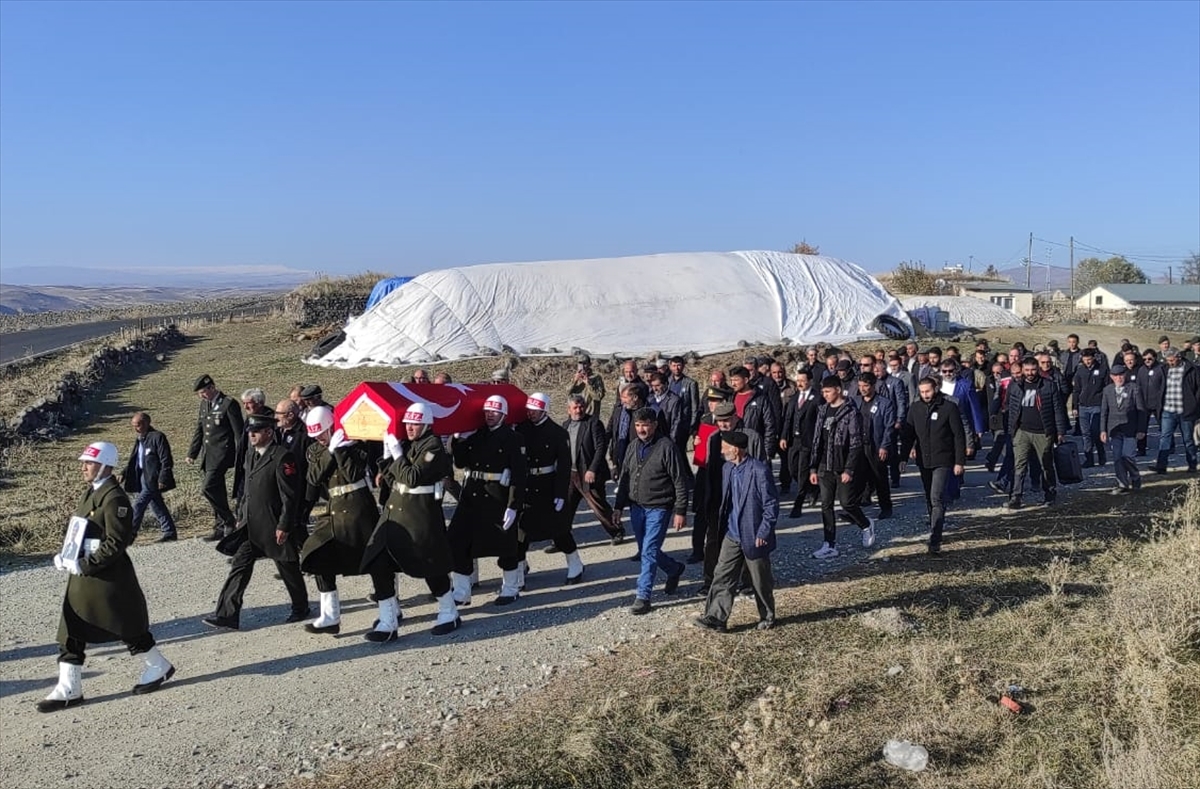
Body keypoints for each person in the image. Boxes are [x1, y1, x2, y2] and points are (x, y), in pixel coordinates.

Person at [37, 441, 176, 712]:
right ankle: (69, 688)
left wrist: (86, 564)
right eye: (84, 463)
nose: (84, 467)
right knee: (71, 630)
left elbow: (117, 542)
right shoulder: (91, 493)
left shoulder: (114, 498)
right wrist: (65, 556)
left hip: (107, 579)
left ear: (106, 466)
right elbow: (78, 529)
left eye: (89, 463)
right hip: (84, 578)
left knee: (127, 628)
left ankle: (158, 666)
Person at [360, 402, 461, 642]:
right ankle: (388, 621)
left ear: (425, 424)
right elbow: (393, 476)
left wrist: (397, 455)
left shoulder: (433, 447)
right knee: (378, 562)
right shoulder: (410, 444)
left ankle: (449, 612)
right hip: (396, 513)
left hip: (420, 516)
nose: (410, 428)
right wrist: (386, 458)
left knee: (429, 567)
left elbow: (413, 477)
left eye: (414, 423)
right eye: (407, 423)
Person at [202, 413, 310, 630]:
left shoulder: (282, 457)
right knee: (239, 565)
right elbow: (248, 489)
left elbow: (290, 496)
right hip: (251, 526)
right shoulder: (251, 454)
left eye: (256, 431)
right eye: (250, 431)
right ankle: (227, 615)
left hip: (273, 525)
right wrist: (241, 514)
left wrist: (284, 525)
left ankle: (301, 607)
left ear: (269, 433)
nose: (251, 435)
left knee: (287, 566)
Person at [297, 407, 376, 636]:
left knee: (375, 558)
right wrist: (331, 450)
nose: (319, 438)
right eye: (316, 435)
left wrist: (342, 450)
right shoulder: (315, 449)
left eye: (323, 433)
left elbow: (353, 474)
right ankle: (330, 616)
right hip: (334, 508)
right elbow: (313, 477)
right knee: (317, 555)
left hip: (358, 505)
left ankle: (390, 608)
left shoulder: (355, 443)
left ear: (332, 427)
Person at [693, 431, 779, 632]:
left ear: (736, 449)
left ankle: (767, 615)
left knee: (760, 580)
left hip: (754, 535)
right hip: (732, 534)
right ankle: (716, 618)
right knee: (722, 575)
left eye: (724, 447)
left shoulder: (759, 470)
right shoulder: (727, 469)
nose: (721, 451)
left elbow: (771, 504)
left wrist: (763, 532)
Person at [448, 395, 528, 606]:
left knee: (505, 543)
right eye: (487, 412)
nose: (490, 415)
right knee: (457, 539)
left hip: (497, 496)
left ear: (503, 414)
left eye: (494, 412)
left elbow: (519, 474)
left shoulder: (513, 438)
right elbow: (461, 462)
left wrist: (513, 505)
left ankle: (511, 588)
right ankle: (462, 591)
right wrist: (458, 440)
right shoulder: (478, 434)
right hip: (472, 494)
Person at [613, 408, 689, 614]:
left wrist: (681, 510)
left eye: (645, 425)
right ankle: (674, 569)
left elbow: (680, 481)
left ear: (654, 424)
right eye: (637, 425)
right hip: (636, 506)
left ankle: (643, 596)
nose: (641, 429)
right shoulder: (632, 446)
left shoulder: (667, 447)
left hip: (659, 507)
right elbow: (626, 477)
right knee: (647, 549)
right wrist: (618, 506)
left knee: (648, 551)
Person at [516, 393, 585, 584]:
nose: (531, 414)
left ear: (544, 410)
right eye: (529, 410)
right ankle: (519, 568)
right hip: (527, 484)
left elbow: (564, 465)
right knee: (520, 531)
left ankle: (575, 563)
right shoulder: (522, 429)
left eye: (535, 411)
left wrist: (560, 493)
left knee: (558, 529)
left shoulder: (557, 433)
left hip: (548, 484)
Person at [809, 376, 873, 559]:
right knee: (826, 505)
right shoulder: (822, 410)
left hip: (842, 464)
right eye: (823, 392)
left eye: (828, 391)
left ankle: (866, 524)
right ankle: (829, 544)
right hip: (824, 465)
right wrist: (813, 468)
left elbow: (855, 443)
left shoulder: (851, 412)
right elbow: (817, 441)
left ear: (838, 389)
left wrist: (849, 469)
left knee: (847, 502)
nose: (825, 395)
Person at [904, 378, 966, 554]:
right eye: (922, 392)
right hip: (924, 460)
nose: (925, 395)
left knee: (936, 497)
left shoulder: (948, 407)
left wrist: (959, 461)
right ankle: (935, 524)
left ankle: (935, 538)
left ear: (935, 389)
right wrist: (903, 458)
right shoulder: (915, 408)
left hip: (944, 460)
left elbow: (958, 436)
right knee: (929, 496)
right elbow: (908, 435)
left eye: (928, 391)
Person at [1004, 357, 1069, 509]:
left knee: (1046, 464)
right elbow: (1010, 409)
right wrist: (1011, 430)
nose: (1030, 373)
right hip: (1022, 431)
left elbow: (1058, 410)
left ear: (1038, 369)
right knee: (1019, 465)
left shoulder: (1049, 386)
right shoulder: (1015, 386)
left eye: (1033, 370)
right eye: (1026, 370)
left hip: (1043, 431)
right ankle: (1016, 497)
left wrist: (1060, 431)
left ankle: (1050, 493)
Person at [187, 374, 244, 542]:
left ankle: (229, 520)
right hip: (208, 455)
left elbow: (238, 433)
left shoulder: (228, 404)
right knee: (217, 490)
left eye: (204, 392)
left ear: (212, 387)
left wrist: (242, 455)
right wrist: (192, 453)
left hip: (222, 455)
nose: (202, 396)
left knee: (208, 488)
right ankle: (219, 526)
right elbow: (200, 429)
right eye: (200, 394)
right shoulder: (205, 404)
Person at [562, 393, 621, 544]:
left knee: (598, 505)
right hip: (571, 473)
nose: (579, 410)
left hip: (588, 473)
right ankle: (560, 539)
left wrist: (592, 469)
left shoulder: (593, 423)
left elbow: (601, 448)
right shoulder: (565, 426)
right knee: (566, 507)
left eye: (581, 406)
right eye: (575, 407)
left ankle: (616, 531)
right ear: (569, 409)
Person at [122, 411, 178, 542]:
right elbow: (135, 460)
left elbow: (166, 459)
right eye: (134, 425)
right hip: (142, 476)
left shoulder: (157, 437)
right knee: (156, 504)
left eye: (139, 425)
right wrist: (123, 473)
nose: (136, 428)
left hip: (152, 478)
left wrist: (163, 478)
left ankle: (130, 534)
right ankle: (169, 531)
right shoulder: (140, 439)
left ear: (147, 423)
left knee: (139, 505)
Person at [852, 372, 894, 519]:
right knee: (857, 478)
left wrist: (884, 446)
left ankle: (886, 507)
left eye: (866, 386)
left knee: (880, 477)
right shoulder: (855, 402)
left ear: (873, 385)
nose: (862, 389)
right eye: (860, 386)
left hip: (876, 445)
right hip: (859, 445)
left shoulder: (884, 403)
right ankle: (853, 510)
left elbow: (889, 427)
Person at [1100, 365, 1147, 494]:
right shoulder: (1107, 390)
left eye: (1121, 375)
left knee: (1127, 456)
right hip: (1114, 429)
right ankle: (1122, 483)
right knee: (1117, 457)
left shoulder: (1134, 388)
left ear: (1125, 375)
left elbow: (1141, 411)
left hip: (1130, 429)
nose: (1119, 378)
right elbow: (1104, 411)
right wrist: (1102, 430)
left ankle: (1135, 478)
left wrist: (1141, 429)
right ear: (1111, 377)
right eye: (1116, 375)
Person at [1151, 348, 1199, 474]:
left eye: (1172, 360)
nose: (1170, 363)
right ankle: (1161, 466)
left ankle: (1192, 464)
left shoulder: (1191, 369)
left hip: (1186, 410)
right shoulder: (1164, 369)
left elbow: (1198, 390)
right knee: (1164, 438)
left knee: (1188, 440)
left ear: (1178, 357)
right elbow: (1159, 387)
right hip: (1168, 410)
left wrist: (1194, 406)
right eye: (1168, 360)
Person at [780, 367, 819, 517]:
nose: (800, 383)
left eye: (803, 381)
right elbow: (788, 419)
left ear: (810, 381)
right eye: (798, 381)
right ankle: (813, 488)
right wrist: (784, 436)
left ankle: (798, 504)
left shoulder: (816, 398)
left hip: (807, 441)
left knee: (803, 472)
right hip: (793, 441)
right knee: (792, 469)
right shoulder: (795, 398)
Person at [1071, 348, 1109, 467]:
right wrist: (1074, 406)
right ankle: (1089, 459)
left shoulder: (1102, 369)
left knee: (1095, 432)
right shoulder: (1080, 370)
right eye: (1085, 359)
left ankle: (1101, 455)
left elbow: (1107, 387)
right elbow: (1076, 389)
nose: (1087, 361)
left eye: (1089, 359)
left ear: (1094, 358)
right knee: (1086, 433)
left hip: (1097, 405)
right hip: (1083, 406)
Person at [1135, 349, 1166, 456]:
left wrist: (1162, 401)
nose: (1147, 361)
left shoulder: (1161, 368)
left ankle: (1168, 447)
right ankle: (1141, 449)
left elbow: (1164, 385)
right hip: (1144, 404)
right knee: (1142, 428)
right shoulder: (1141, 370)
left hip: (1158, 403)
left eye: (1149, 358)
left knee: (1164, 427)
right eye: (1145, 359)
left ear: (1154, 358)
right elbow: (1138, 386)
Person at [668, 356, 701, 434]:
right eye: (674, 366)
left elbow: (694, 405)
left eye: (679, 365)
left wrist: (693, 423)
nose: (676, 368)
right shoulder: (667, 381)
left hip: (683, 422)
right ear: (670, 366)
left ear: (683, 366)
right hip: (670, 421)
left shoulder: (690, 383)